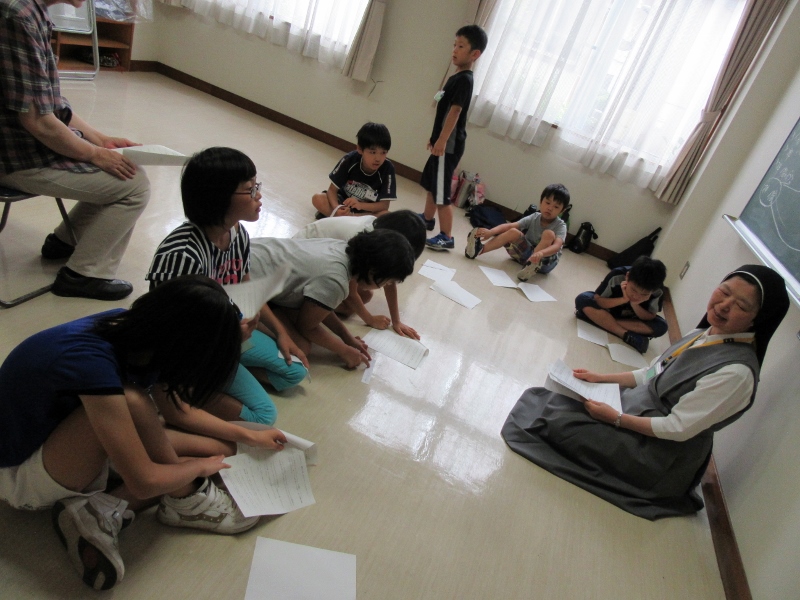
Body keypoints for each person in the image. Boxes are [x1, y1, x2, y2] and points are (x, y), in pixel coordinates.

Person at [0, 276, 288, 590]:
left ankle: (103, 509)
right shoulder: (94, 364)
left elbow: (177, 411)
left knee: (223, 449)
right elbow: (144, 481)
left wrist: (246, 436)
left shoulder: (145, 332)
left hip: (61, 433)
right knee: (137, 403)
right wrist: (196, 469)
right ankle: (184, 499)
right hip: (19, 473)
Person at [501, 265, 790, 520]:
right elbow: (652, 374)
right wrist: (600, 378)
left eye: (740, 305)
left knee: (558, 423)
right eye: (724, 292)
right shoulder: (706, 333)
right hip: (637, 410)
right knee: (562, 399)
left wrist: (615, 419)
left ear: (757, 319)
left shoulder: (736, 373)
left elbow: (676, 428)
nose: (724, 305)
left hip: (660, 454)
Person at [0, 0, 150, 301]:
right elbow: (38, 122)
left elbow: (51, 104)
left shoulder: (29, 11)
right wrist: (94, 154)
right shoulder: (19, 16)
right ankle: (83, 276)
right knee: (134, 185)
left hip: (20, 146)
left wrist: (100, 140)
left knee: (120, 170)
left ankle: (65, 242)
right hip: (15, 157)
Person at [147, 147, 308, 426]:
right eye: (250, 189)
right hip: (189, 349)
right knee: (264, 416)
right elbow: (171, 331)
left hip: (225, 335)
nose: (259, 196)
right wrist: (229, 339)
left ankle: (218, 376)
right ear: (218, 196)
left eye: (257, 185)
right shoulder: (183, 255)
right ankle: (182, 389)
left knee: (295, 371)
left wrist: (281, 332)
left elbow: (246, 290)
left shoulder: (237, 233)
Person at [249, 229, 416, 369]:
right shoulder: (336, 279)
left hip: (254, 254)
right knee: (302, 347)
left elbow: (323, 305)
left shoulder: (345, 250)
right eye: (387, 282)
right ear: (373, 272)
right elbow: (307, 326)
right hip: (245, 282)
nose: (384, 286)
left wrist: (347, 337)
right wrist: (344, 350)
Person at [293, 209, 425, 338]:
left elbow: (389, 277)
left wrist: (396, 321)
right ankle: (302, 304)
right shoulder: (358, 239)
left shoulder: (379, 235)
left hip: (316, 255)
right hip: (301, 258)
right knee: (346, 299)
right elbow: (350, 293)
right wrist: (370, 320)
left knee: (365, 295)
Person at [419, 24, 487, 251]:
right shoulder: (457, 76)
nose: (454, 50)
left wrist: (441, 141)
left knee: (441, 190)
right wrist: (434, 137)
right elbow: (444, 110)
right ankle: (427, 219)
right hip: (442, 141)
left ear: (475, 54)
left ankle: (446, 235)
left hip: (448, 145)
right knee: (433, 182)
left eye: (461, 46)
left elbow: (455, 112)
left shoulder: (465, 80)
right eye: (454, 45)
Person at [464, 183, 570, 280]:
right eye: (547, 203)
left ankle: (531, 266)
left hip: (544, 262)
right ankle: (479, 250)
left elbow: (556, 246)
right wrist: (491, 232)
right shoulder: (534, 217)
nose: (550, 208)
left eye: (556, 207)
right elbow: (510, 225)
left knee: (548, 234)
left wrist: (540, 254)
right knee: (513, 231)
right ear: (541, 202)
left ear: (562, 210)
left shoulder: (560, 226)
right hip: (527, 254)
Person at [575, 256, 668, 353]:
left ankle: (599, 319)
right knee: (583, 298)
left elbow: (649, 316)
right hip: (609, 310)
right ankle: (624, 334)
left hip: (630, 319)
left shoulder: (658, 290)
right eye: (633, 290)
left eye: (644, 294)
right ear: (627, 276)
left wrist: (634, 304)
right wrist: (623, 299)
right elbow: (599, 301)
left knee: (662, 326)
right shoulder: (617, 275)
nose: (636, 296)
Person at [311, 122, 396, 218]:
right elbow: (332, 190)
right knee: (318, 198)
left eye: (383, 152)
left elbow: (384, 205)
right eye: (373, 152)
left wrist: (360, 205)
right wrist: (337, 208)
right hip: (343, 203)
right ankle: (341, 217)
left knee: (386, 215)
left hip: (365, 210)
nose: (378, 158)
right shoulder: (349, 159)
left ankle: (338, 218)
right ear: (360, 149)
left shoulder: (388, 169)